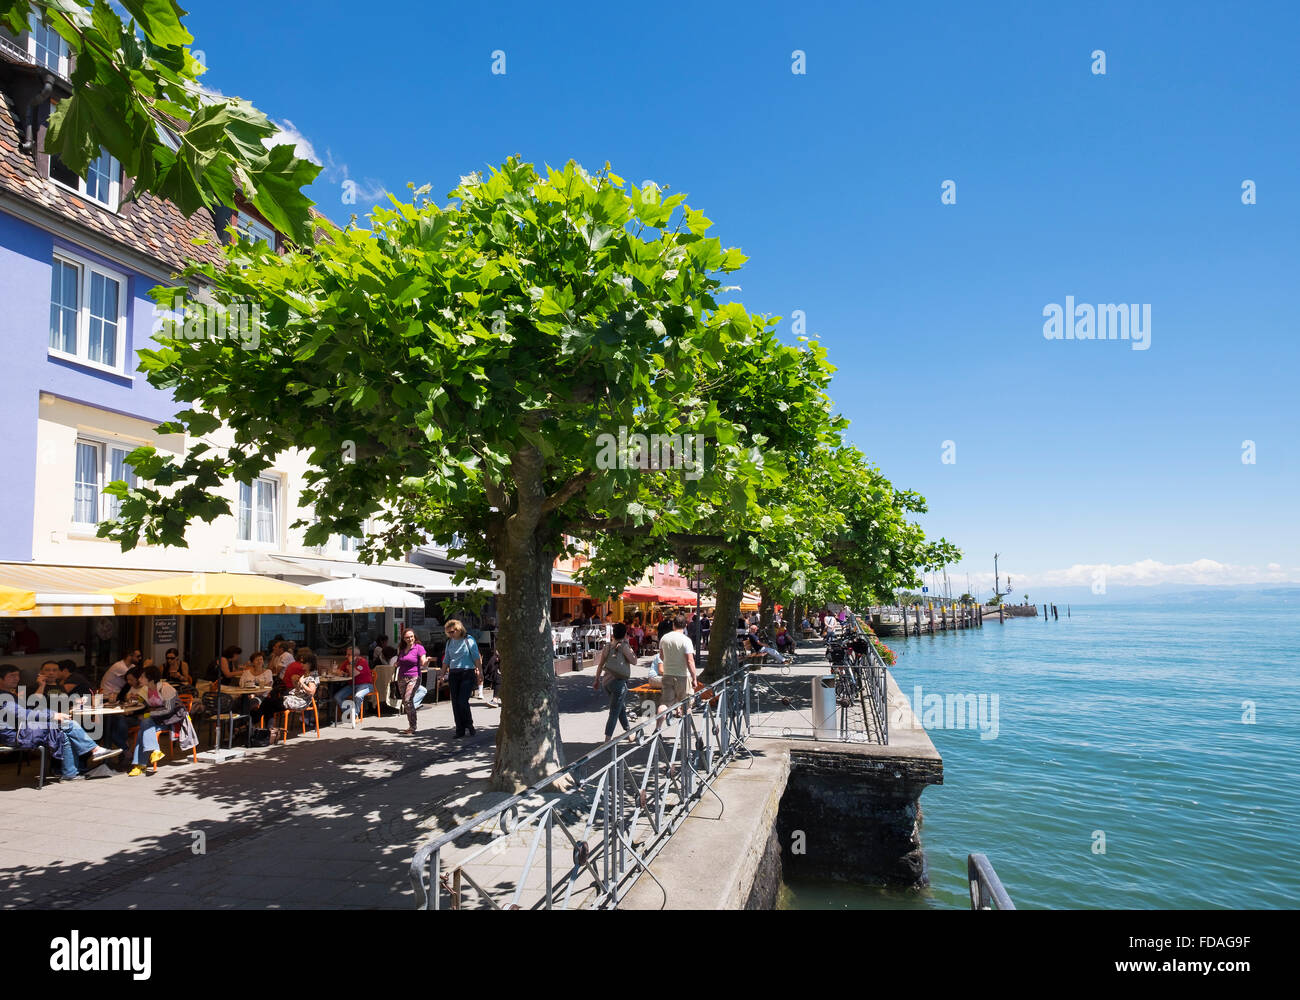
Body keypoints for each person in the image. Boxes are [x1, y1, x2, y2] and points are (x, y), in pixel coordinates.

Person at [0, 664, 120, 780]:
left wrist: (65, 710)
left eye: (17, 675)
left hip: (24, 729)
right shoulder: (3, 696)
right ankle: (95, 751)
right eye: (12, 675)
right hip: (15, 734)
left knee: (65, 731)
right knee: (69, 725)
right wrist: (53, 715)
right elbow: (23, 713)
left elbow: (31, 710)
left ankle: (70, 773)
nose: (16, 678)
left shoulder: (11, 694)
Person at [126, 666, 180, 776]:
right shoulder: (145, 689)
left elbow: (168, 710)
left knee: (145, 724)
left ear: (150, 679)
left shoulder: (165, 688)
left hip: (170, 720)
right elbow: (138, 701)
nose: (139, 679)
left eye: (142, 676)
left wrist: (148, 714)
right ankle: (155, 751)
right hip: (155, 721)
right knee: (144, 727)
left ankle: (140, 765)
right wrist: (131, 698)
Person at [592, 623, 637, 742]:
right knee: (614, 711)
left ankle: (629, 733)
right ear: (625, 634)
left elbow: (601, 664)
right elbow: (634, 661)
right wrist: (629, 646)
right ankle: (607, 739)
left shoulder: (607, 646)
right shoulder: (624, 646)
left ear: (613, 633)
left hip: (606, 682)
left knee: (620, 707)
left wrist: (596, 679)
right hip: (619, 682)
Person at [437, 619, 481, 739]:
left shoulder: (469, 639)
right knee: (455, 703)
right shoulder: (449, 642)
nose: (451, 634)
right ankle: (459, 729)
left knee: (462, 701)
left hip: (467, 672)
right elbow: (446, 659)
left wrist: (480, 672)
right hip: (454, 674)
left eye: (453, 631)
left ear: (459, 629)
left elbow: (476, 657)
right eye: (449, 632)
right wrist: (442, 675)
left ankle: (469, 724)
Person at [656, 616, 697, 729]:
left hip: (668, 674)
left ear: (673, 625)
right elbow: (690, 661)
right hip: (683, 676)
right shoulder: (686, 640)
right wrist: (694, 678)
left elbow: (661, 656)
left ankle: (658, 728)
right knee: (687, 704)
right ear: (685, 626)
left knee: (664, 703)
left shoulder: (664, 638)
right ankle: (687, 732)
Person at [394, 628, 427, 736]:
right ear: (403, 639)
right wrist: (397, 664)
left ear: (414, 637)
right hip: (401, 677)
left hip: (414, 677)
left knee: (408, 700)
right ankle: (411, 725)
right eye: (407, 637)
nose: (410, 639)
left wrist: (426, 661)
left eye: (411, 636)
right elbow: (399, 661)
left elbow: (423, 661)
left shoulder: (419, 648)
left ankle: (413, 726)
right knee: (406, 702)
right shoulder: (402, 649)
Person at [333, 647, 374, 724]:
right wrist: (343, 672)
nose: (346, 656)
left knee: (358, 696)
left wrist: (351, 664)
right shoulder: (346, 662)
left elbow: (353, 674)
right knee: (337, 697)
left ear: (355, 656)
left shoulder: (362, 662)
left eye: (348, 654)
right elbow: (338, 671)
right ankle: (350, 712)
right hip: (352, 685)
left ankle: (355, 716)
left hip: (365, 685)